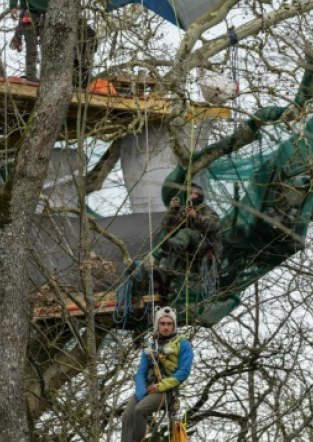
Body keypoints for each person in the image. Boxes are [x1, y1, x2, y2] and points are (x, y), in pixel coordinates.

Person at [121, 306, 193, 442]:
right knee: (127, 415)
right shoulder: (150, 347)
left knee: (139, 410)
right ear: (157, 325)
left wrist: (160, 387)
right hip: (147, 389)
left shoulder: (183, 344)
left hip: (166, 392)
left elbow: (183, 372)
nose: (166, 327)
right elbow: (141, 373)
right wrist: (142, 393)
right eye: (162, 324)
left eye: (169, 324)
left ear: (174, 325)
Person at [157, 183, 221, 281]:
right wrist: (172, 210)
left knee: (186, 232)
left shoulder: (206, 210)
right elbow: (167, 226)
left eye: (196, 194)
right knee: (166, 261)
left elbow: (214, 225)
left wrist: (196, 216)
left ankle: (170, 247)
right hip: (187, 248)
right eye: (191, 193)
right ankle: (165, 275)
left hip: (203, 245)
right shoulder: (184, 210)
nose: (193, 195)